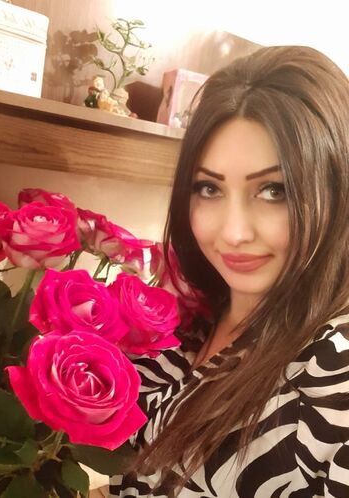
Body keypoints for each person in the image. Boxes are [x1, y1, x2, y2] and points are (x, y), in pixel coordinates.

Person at [109, 46, 349, 497]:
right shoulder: (189, 316)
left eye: (275, 190)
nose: (234, 233)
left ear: (338, 189)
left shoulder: (334, 368)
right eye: (208, 188)